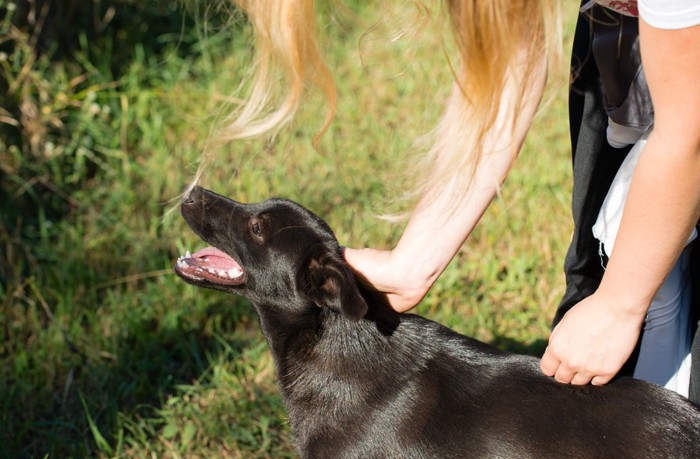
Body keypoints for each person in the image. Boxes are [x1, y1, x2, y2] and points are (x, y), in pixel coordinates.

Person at [217, 1, 700, 399]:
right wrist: (414, 264)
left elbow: (689, 131)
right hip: (632, 48)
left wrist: (618, 306)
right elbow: (508, 45)